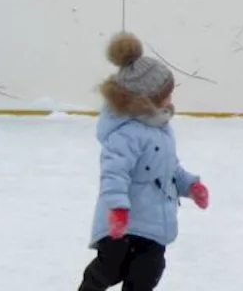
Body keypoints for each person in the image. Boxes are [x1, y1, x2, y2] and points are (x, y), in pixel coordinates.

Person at [78, 31, 210, 291]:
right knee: (110, 267)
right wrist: (117, 208)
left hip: (153, 224)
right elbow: (113, 174)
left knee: (148, 272)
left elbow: (169, 169)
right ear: (145, 100)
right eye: (166, 94)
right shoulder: (125, 134)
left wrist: (191, 186)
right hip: (122, 224)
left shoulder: (161, 128)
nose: (171, 99)